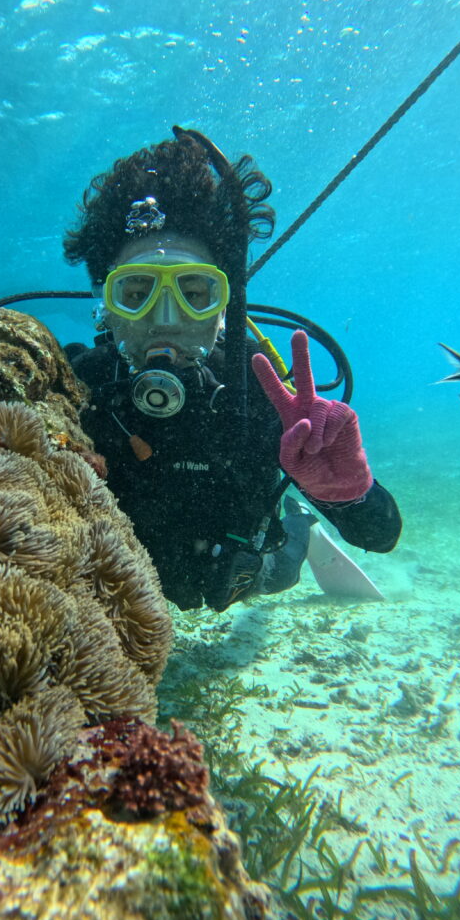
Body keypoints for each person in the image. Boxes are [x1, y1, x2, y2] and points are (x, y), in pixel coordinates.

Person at [55, 128, 401, 613]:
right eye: (136, 294)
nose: (166, 320)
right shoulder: (70, 384)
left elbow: (381, 536)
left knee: (280, 572)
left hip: (244, 573)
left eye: (194, 294)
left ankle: (302, 521)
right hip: (124, 580)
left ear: (224, 309)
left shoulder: (260, 397)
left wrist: (347, 493)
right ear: (104, 308)